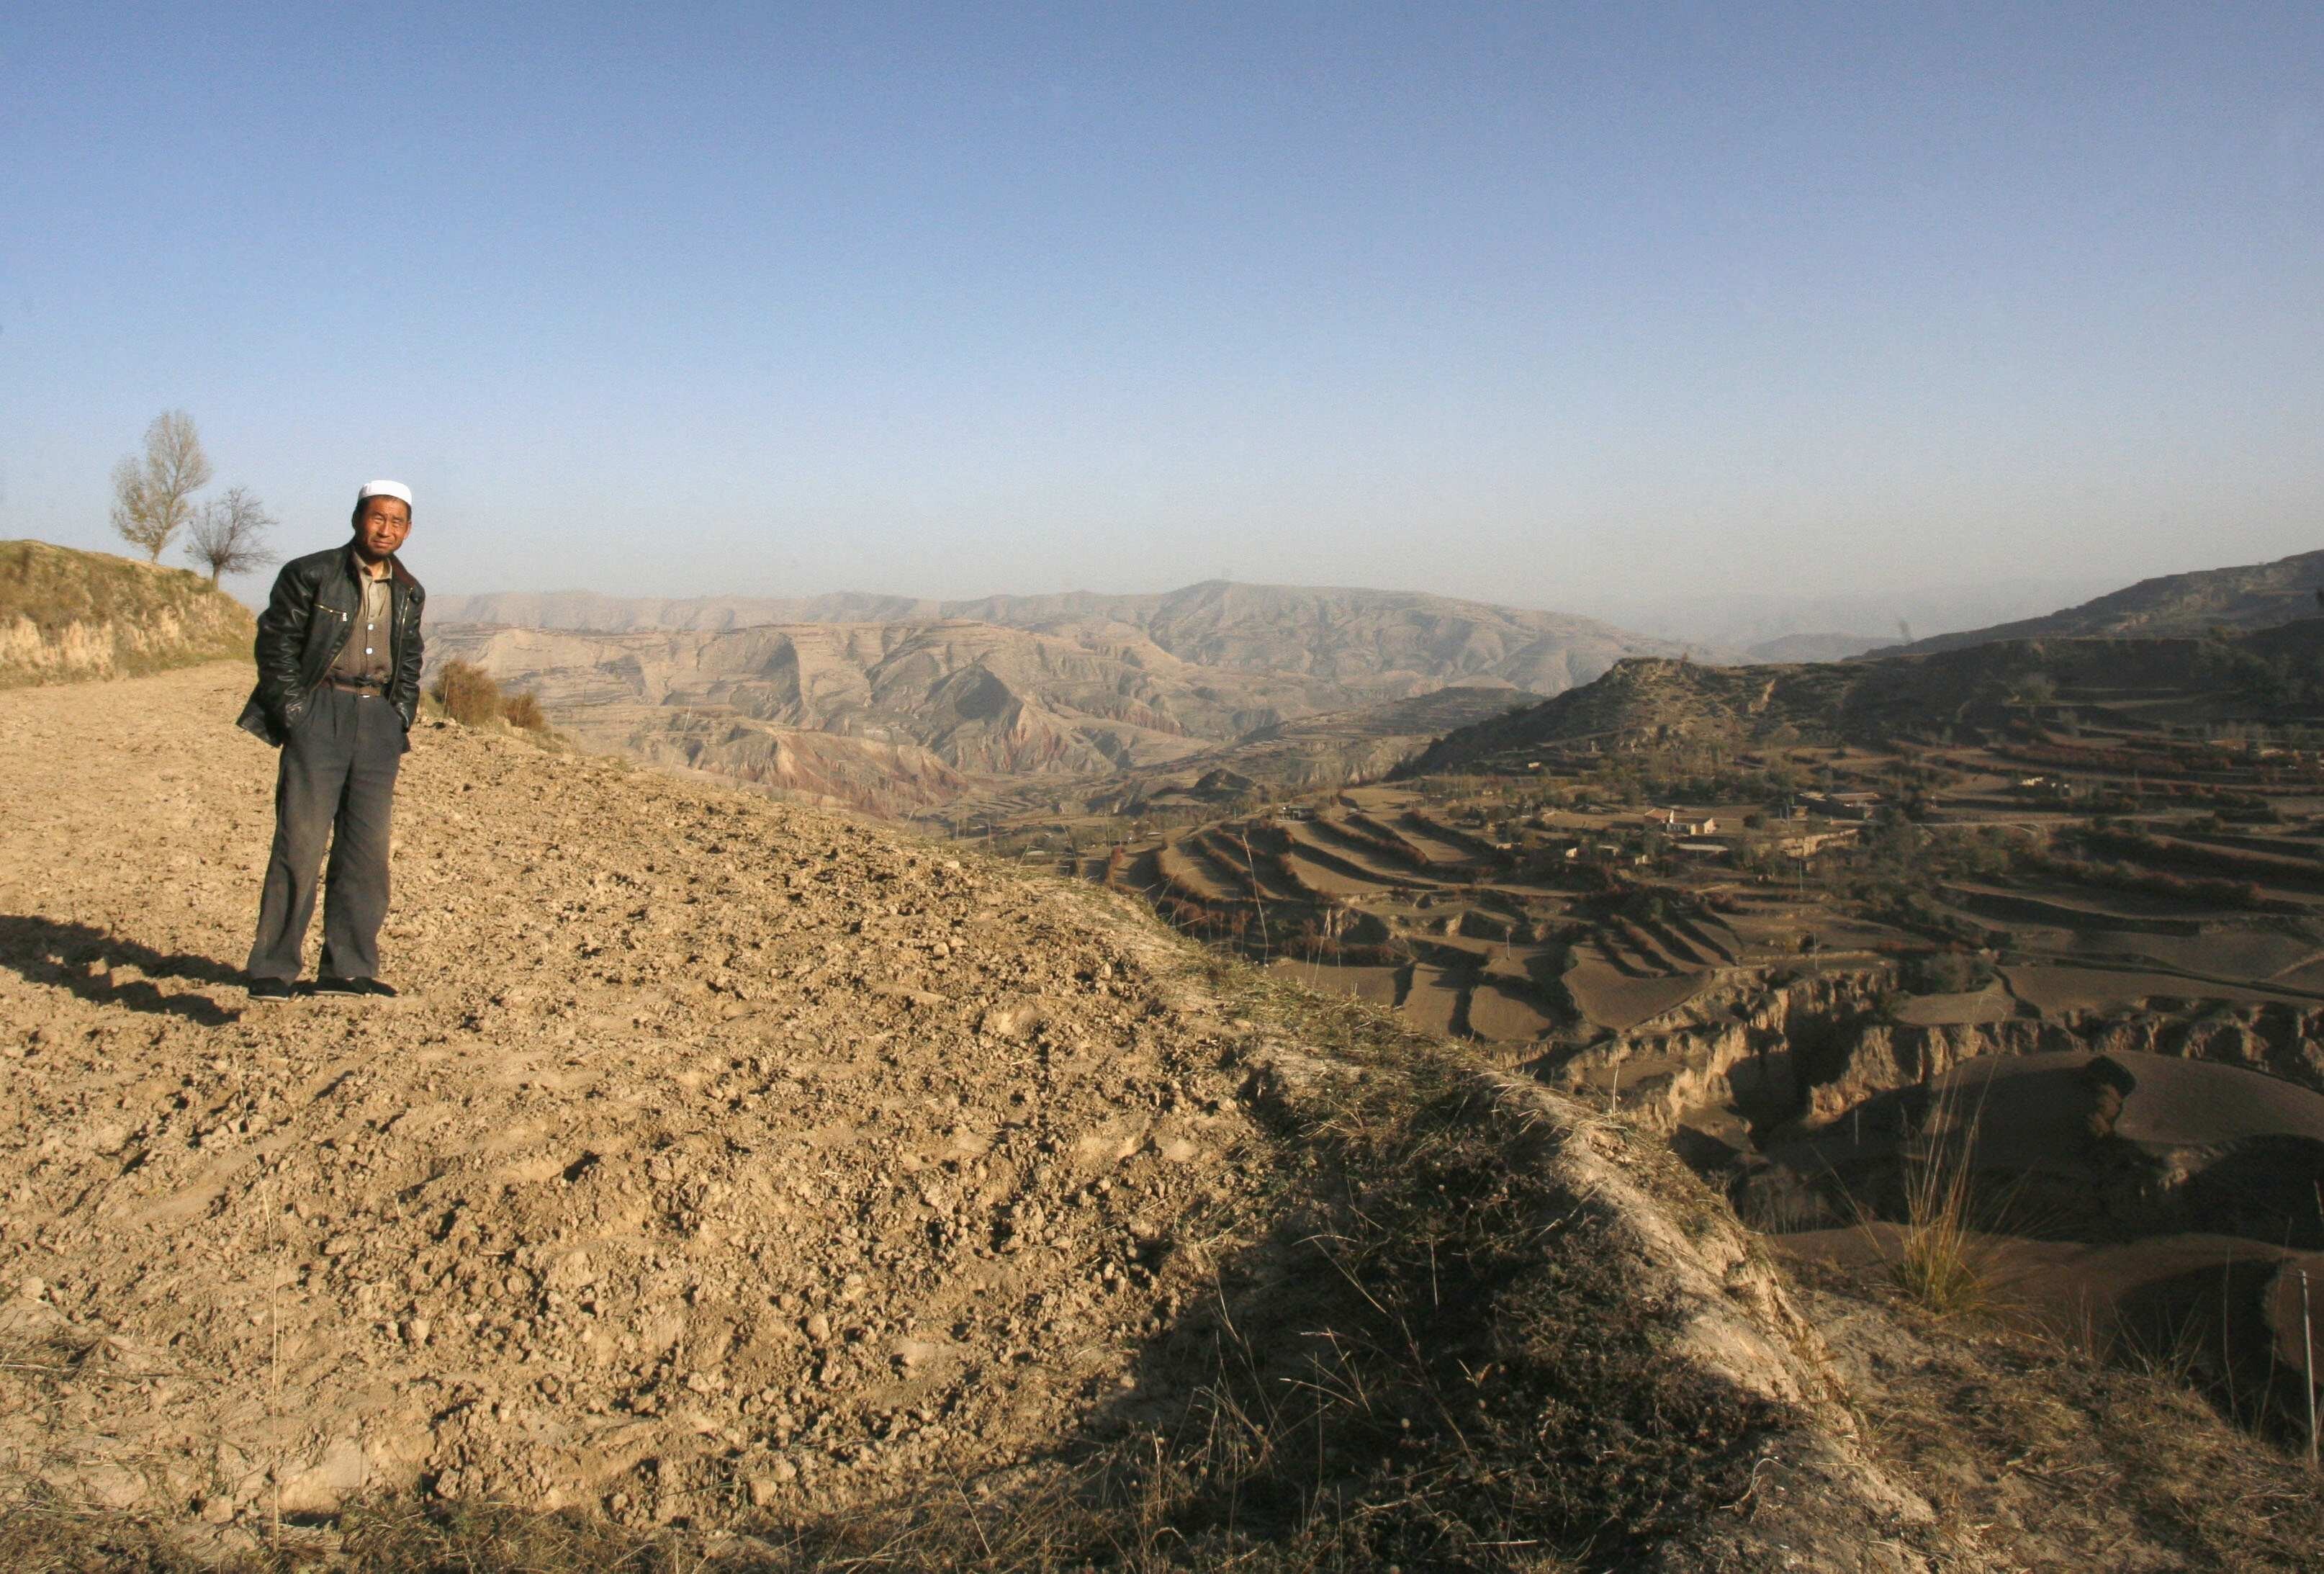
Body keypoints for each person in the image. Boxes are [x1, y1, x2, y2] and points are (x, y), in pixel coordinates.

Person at [235, 480, 426, 1001]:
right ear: (357, 519)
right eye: (378, 518)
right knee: (299, 844)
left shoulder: (408, 590)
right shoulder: (310, 573)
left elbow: (409, 658)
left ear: (408, 530)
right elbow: (275, 648)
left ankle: (347, 968)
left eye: (397, 521)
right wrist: (297, 713)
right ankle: (273, 969)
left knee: (366, 852)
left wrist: (400, 715)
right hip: (319, 711)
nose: (386, 529)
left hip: (377, 722)